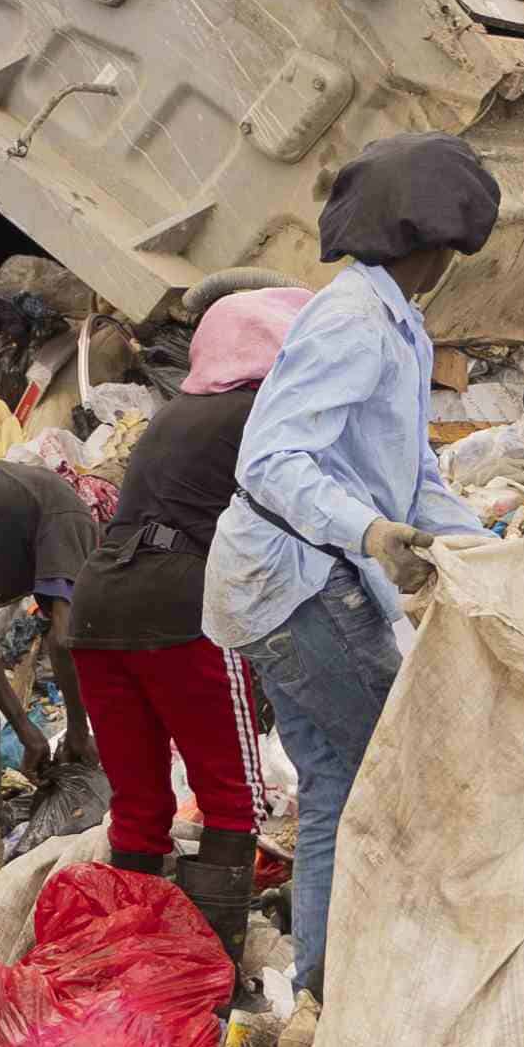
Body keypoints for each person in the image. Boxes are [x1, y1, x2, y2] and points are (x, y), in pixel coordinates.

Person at [202, 132, 502, 1011]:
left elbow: (412, 477)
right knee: (396, 766)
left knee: (336, 781)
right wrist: (370, 533)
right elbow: (271, 460)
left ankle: (324, 996)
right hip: (297, 581)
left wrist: (483, 549)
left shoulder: (398, 325)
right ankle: (384, 988)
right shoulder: (351, 323)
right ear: (435, 248)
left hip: (293, 578)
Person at [70, 285, 308, 974]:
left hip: (97, 606)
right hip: (179, 605)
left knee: (140, 806)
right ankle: (211, 977)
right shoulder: (267, 411)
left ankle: (134, 973)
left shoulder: (178, 414)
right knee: (231, 799)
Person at [0, 459, 98, 877]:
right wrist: (77, 731)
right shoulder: (68, 512)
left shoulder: (4, 530)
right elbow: (64, 638)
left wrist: (25, 730)